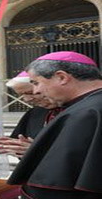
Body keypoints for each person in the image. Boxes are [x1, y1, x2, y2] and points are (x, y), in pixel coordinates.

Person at [7, 51, 102, 198]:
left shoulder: (86, 113)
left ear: (62, 77)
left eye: (36, 83)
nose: (36, 91)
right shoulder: (85, 106)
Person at [0, 71, 60, 158]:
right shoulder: (35, 112)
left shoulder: (76, 112)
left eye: (30, 92)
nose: (27, 99)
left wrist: (37, 151)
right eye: (21, 95)